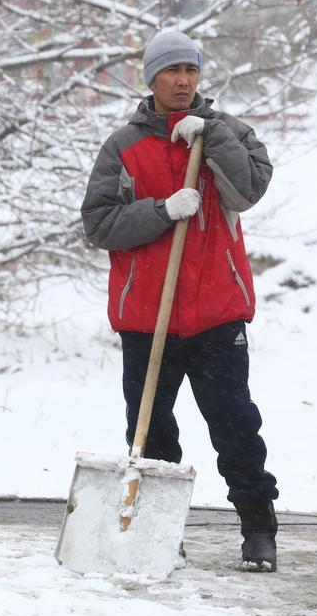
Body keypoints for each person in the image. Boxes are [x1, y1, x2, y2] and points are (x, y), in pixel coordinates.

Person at [80, 30, 280, 572]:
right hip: (148, 318)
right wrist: (162, 211)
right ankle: (157, 532)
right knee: (152, 433)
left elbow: (247, 192)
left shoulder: (233, 133)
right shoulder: (123, 147)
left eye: (191, 70)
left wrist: (212, 138)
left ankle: (258, 528)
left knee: (236, 426)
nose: (183, 80)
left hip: (217, 314)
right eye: (171, 71)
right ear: (151, 78)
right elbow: (98, 224)